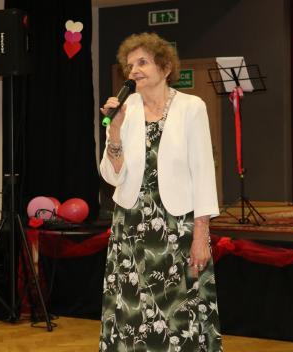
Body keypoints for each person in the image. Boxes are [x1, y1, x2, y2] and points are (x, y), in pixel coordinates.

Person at [99, 33, 223, 351]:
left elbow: (203, 173)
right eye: (130, 65)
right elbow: (112, 174)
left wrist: (201, 235)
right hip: (130, 224)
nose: (134, 70)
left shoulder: (191, 107)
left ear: (165, 67)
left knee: (180, 309)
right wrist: (114, 131)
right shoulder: (125, 109)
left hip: (176, 226)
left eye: (142, 62)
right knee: (131, 308)